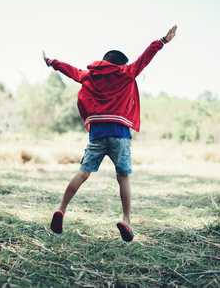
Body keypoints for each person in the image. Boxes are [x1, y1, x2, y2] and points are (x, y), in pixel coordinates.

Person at [43, 25, 177, 242]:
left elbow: (70, 71)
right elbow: (145, 58)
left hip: (97, 132)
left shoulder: (90, 76)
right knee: (123, 177)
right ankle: (126, 220)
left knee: (83, 173)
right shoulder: (125, 73)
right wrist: (162, 41)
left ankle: (61, 209)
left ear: (104, 62)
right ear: (120, 64)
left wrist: (52, 62)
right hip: (119, 132)